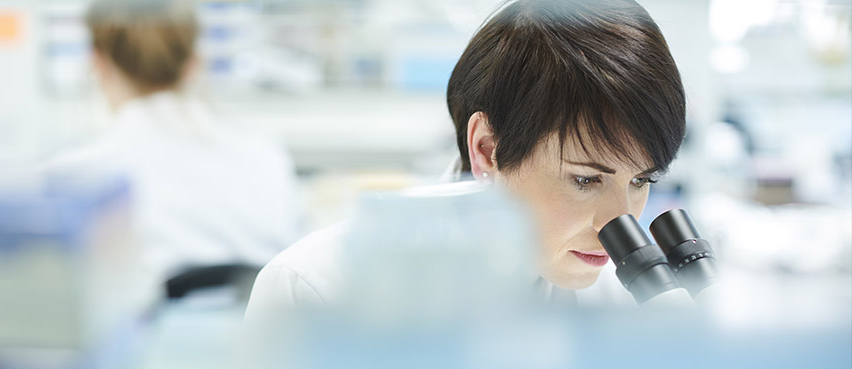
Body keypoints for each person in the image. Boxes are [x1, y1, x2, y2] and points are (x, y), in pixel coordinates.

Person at [246, 0, 686, 314]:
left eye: (640, 181)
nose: (619, 224)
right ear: (487, 150)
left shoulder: (624, 305)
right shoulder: (317, 291)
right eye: (586, 180)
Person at [47, 0, 300, 292]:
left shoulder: (76, 178)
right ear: (193, 63)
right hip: (260, 334)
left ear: (98, 63)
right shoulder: (265, 155)